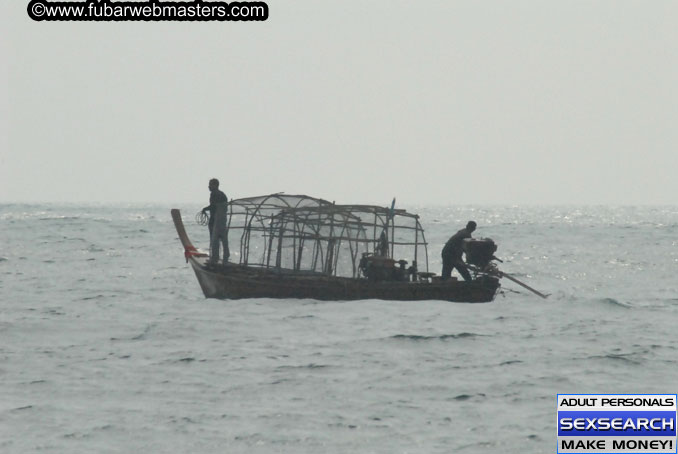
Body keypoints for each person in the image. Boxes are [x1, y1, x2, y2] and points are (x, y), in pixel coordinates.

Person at [202, 178, 229, 264]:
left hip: (215, 220)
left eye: (210, 184)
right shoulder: (223, 194)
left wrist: (205, 209)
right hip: (223, 221)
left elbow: (213, 206)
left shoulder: (214, 194)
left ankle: (214, 259)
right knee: (224, 240)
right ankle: (225, 258)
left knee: (214, 240)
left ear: (215, 185)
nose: (209, 186)